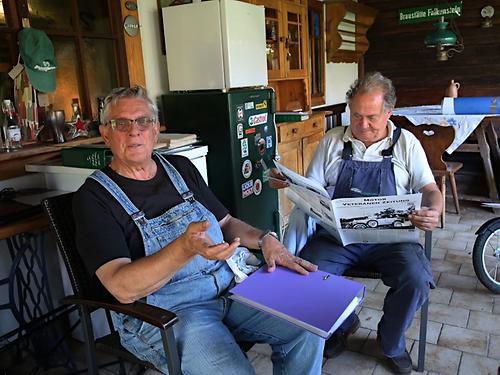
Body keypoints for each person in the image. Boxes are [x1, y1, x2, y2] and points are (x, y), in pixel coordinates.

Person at [73, 86, 324, 374]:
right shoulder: (94, 199)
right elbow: (122, 288)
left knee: (309, 324)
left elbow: (226, 224)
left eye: (143, 121)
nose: (134, 131)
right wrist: (184, 249)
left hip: (230, 287)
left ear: (156, 130)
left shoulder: (179, 168)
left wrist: (266, 239)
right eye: (121, 123)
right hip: (171, 313)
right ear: (105, 134)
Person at [270, 72, 442, 374]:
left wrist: (434, 210)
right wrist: (289, 185)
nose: (362, 125)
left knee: (415, 278)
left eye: (371, 117)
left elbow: (430, 189)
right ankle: (342, 324)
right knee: (306, 274)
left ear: (389, 112)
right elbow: (312, 188)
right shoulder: (333, 141)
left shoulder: (407, 144)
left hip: (392, 240)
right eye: (356, 116)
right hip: (338, 237)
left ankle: (390, 342)